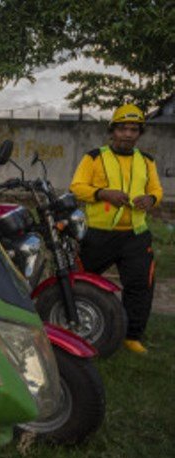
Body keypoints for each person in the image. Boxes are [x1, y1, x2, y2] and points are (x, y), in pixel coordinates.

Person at [69, 103, 163, 353]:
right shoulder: (94, 157)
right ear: (113, 131)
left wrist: (151, 199)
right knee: (80, 282)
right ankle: (74, 327)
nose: (128, 134)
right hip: (98, 235)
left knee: (139, 286)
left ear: (139, 134)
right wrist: (102, 193)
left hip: (136, 236)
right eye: (123, 129)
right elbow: (77, 187)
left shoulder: (147, 161)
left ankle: (132, 336)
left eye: (134, 129)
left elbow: (156, 190)